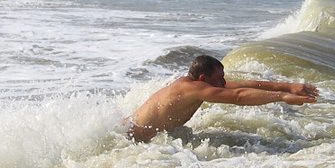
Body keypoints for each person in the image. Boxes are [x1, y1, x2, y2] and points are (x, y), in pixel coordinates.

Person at [124, 55, 318, 142]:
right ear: (203, 78)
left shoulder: (198, 85)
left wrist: (289, 86)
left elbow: (245, 85)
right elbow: (239, 97)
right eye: (219, 78)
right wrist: (283, 97)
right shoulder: (192, 89)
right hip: (127, 138)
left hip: (134, 137)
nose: (223, 82)